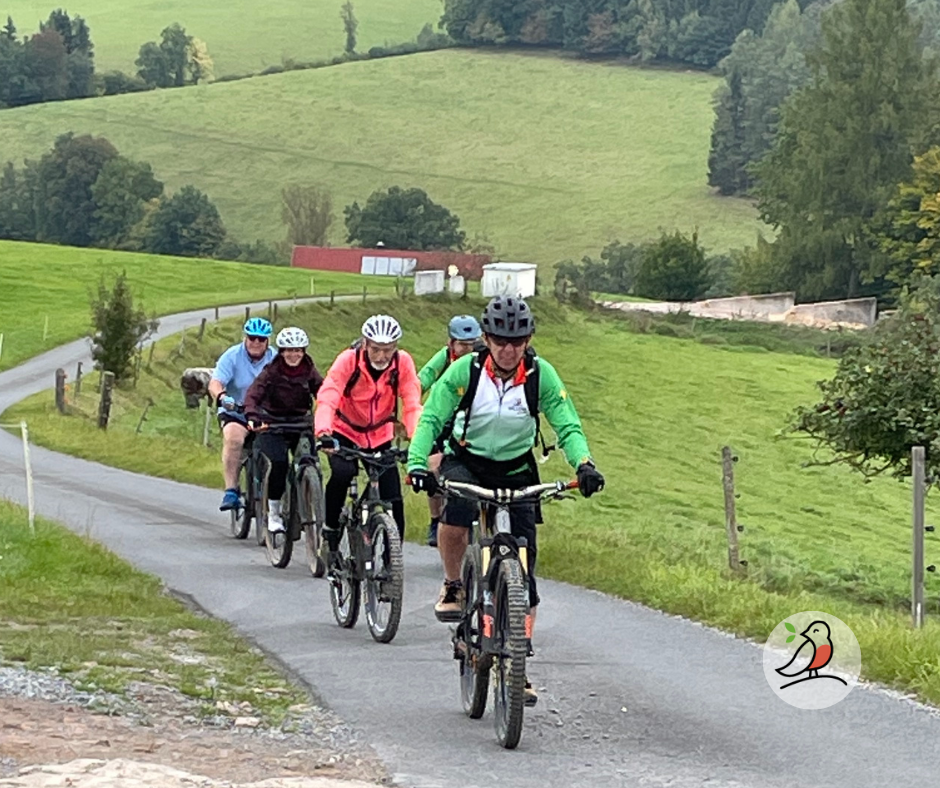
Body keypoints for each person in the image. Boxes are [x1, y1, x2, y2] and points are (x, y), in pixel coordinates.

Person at [407, 296, 605, 706]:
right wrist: (417, 463)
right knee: (456, 512)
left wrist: (583, 463)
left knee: (526, 573)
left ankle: (519, 664)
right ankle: (454, 584)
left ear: (528, 339)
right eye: (499, 340)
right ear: (487, 338)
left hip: (516, 468)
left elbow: (566, 423)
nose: (508, 349)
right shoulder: (466, 371)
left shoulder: (540, 375)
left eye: (516, 341)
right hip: (468, 460)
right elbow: (430, 418)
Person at [315, 315, 422, 561]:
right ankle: (330, 532)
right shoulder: (348, 360)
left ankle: (392, 561)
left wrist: (417, 438)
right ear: (365, 344)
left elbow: (412, 402)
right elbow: (329, 394)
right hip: (344, 430)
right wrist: (324, 432)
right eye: (376, 349)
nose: (382, 356)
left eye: (388, 350)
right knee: (342, 473)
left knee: (393, 497)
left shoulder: (402, 363)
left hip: (380, 433)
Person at [243, 327, 324, 532]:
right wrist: (253, 416)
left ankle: (310, 504)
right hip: (272, 424)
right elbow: (253, 395)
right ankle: (275, 512)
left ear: (304, 351)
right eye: (288, 350)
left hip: (300, 424)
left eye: (298, 350)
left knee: (312, 463)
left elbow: (324, 394)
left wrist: (331, 415)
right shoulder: (271, 371)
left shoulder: (309, 371)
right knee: (279, 464)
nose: (293, 355)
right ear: (281, 352)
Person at [418, 315, 483, 548]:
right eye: (462, 344)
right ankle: (435, 521)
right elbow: (422, 380)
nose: (467, 349)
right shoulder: (444, 358)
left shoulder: (482, 360)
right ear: (451, 343)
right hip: (443, 419)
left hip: (468, 421)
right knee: (431, 472)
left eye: (471, 344)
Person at [209, 317, 275, 511]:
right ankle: (231, 490)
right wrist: (221, 397)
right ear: (245, 338)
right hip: (235, 411)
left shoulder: (275, 359)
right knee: (234, 440)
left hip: (264, 413)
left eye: (261, 339)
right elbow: (215, 382)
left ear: (267, 341)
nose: (256, 342)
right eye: (252, 337)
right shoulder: (232, 356)